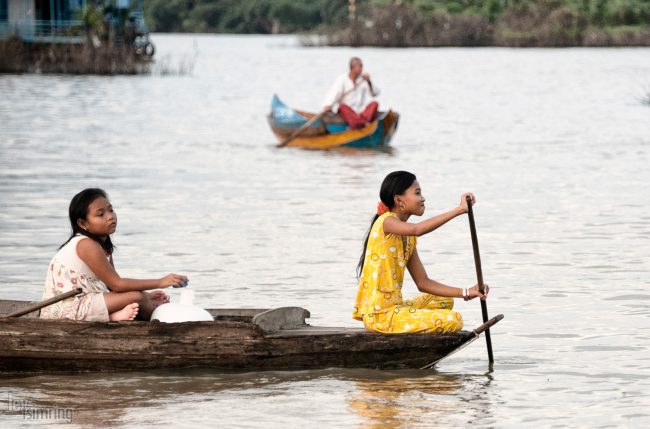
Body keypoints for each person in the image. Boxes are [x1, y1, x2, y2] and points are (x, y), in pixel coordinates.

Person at [353, 171, 489, 334]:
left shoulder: (408, 238)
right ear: (399, 200)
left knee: (444, 300)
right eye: (417, 193)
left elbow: (423, 282)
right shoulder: (386, 221)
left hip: (395, 309)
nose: (423, 198)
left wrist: (467, 292)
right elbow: (418, 229)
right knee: (455, 320)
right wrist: (459, 210)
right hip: (380, 316)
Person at [40, 188, 189, 322]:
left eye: (110, 210)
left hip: (89, 301)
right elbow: (117, 284)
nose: (110, 216)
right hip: (65, 308)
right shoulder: (86, 244)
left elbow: (111, 286)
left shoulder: (102, 245)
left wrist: (148, 296)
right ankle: (161, 325)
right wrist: (160, 282)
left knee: (141, 296)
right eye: (101, 214)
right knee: (138, 297)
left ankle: (116, 317)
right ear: (83, 223)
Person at [322, 57, 380, 129]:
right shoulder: (342, 79)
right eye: (360, 66)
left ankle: (360, 122)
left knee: (375, 103)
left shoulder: (363, 80)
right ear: (352, 67)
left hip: (361, 113)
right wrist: (328, 105)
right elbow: (333, 93)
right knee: (342, 107)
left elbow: (375, 93)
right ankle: (362, 123)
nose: (361, 69)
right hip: (348, 112)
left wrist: (369, 82)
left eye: (362, 66)